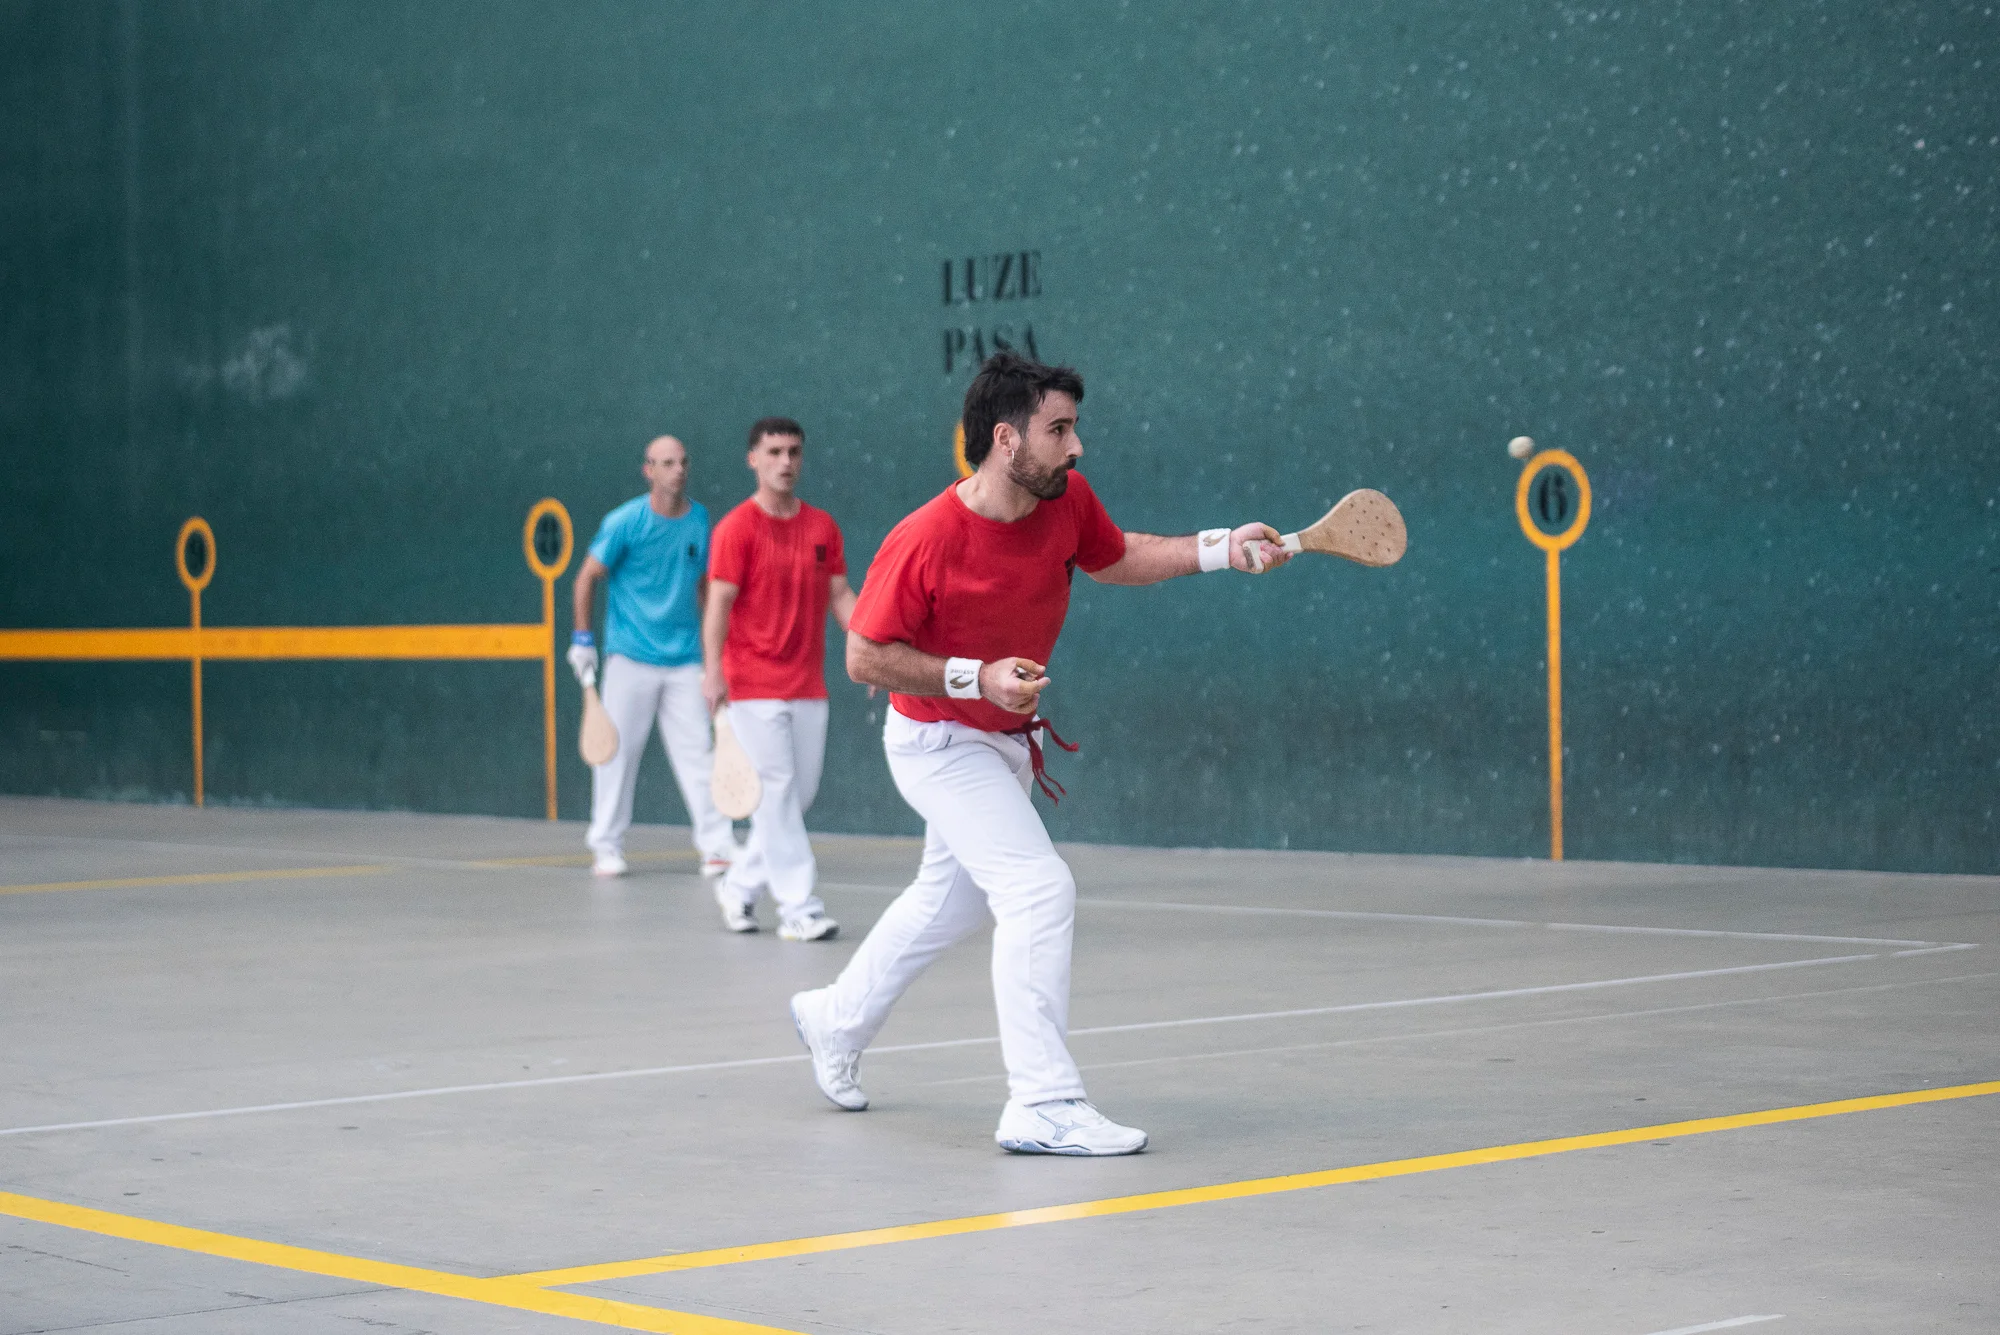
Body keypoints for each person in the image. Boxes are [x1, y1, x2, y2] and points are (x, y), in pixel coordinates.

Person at [788, 352, 1291, 1155]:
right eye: (1059, 429)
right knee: (1037, 888)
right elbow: (863, 656)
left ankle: (833, 1018)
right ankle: (1042, 1101)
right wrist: (975, 676)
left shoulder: (1065, 500)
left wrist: (1219, 547)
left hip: (1004, 741)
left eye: (1074, 427)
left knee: (948, 901)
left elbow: (1115, 555)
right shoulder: (924, 537)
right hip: (935, 741)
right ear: (1006, 439)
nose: (1076, 446)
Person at [702, 417, 857, 941]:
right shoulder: (736, 529)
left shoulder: (822, 527)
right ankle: (799, 908)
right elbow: (718, 605)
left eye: (793, 452)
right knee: (778, 791)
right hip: (751, 684)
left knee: (794, 797)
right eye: (773, 452)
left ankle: (739, 887)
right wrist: (712, 673)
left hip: (808, 683)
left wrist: (871, 647)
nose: (785, 462)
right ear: (753, 459)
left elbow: (840, 594)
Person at [568, 435, 737, 879]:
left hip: (684, 660)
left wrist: (715, 655)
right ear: (649, 471)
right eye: (667, 463)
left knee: (699, 753)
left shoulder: (699, 520)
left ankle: (717, 847)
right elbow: (586, 577)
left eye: (682, 462)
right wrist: (582, 639)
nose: (678, 470)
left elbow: (704, 589)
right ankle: (606, 845)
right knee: (616, 756)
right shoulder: (625, 522)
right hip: (630, 658)